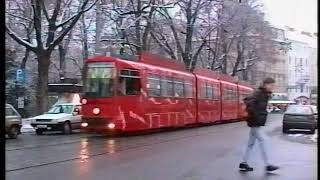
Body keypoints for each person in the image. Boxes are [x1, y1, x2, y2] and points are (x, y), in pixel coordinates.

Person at [239, 77, 279, 172]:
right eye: (272, 85)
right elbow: (249, 103)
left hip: (255, 122)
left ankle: (244, 163)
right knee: (264, 140)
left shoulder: (264, 94)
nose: (273, 87)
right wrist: (256, 116)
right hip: (255, 122)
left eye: (274, 85)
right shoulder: (258, 93)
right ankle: (268, 164)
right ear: (266, 84)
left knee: (250, 144)